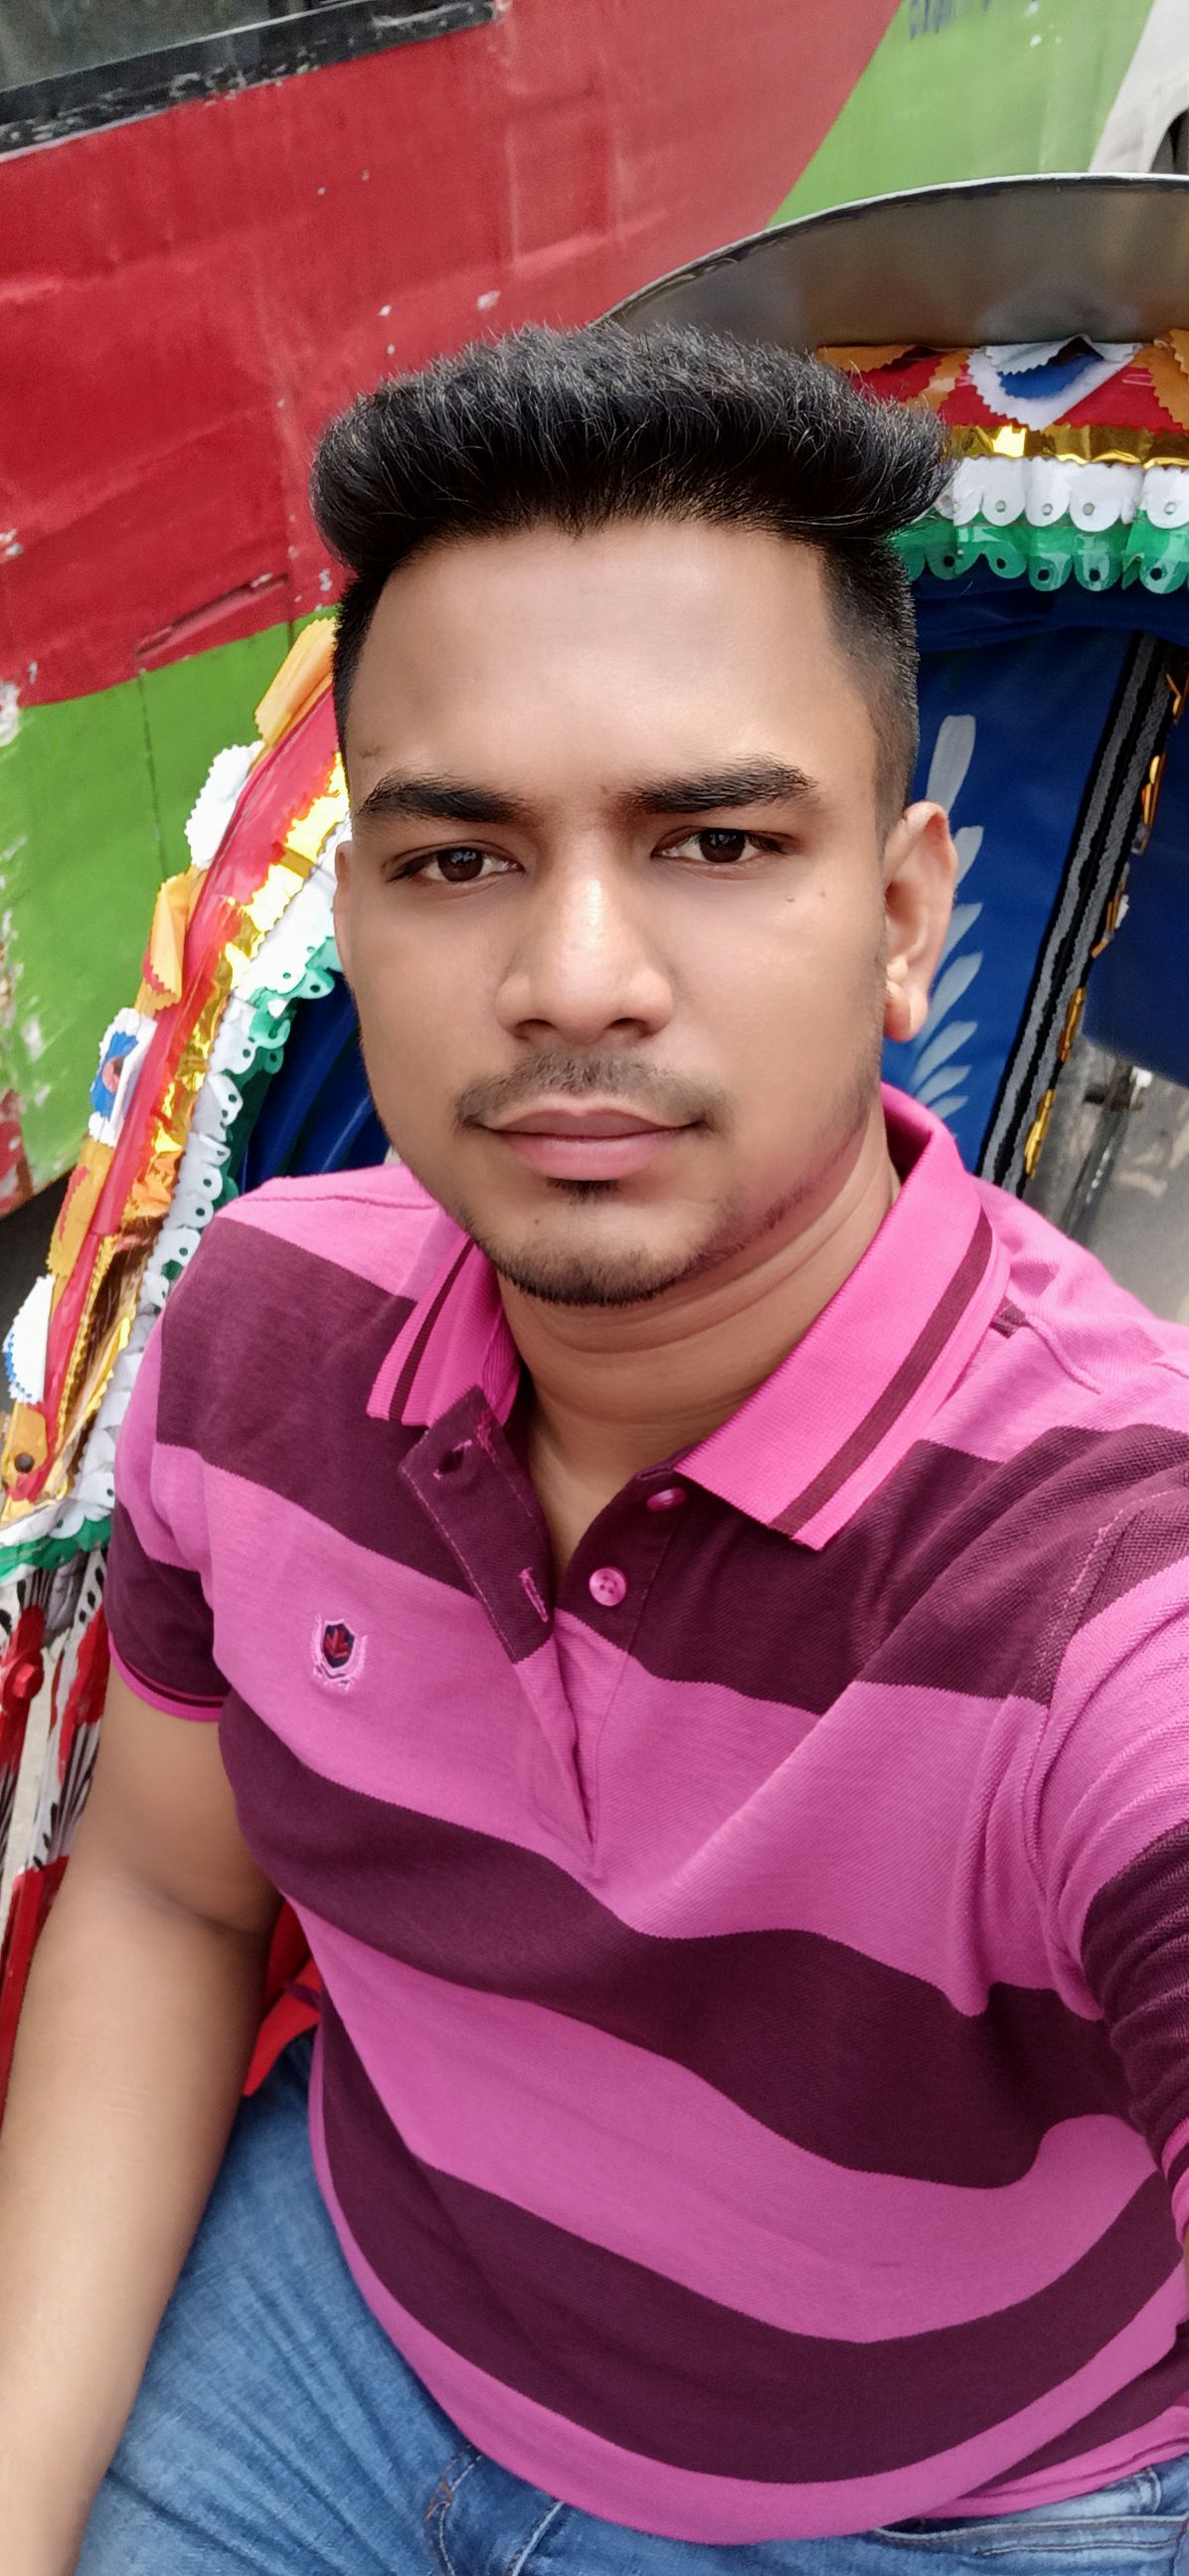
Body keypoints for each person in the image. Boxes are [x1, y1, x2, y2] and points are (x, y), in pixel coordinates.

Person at [3, 323, 1189, 2576]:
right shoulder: (261, 1332)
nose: (572, 976)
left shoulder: (1107, 1571)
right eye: (457, 861)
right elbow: (167, 1891)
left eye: (714, 841)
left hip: (949, 2498)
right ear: (354, 918)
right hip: (347, 2323)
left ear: (906, 915)